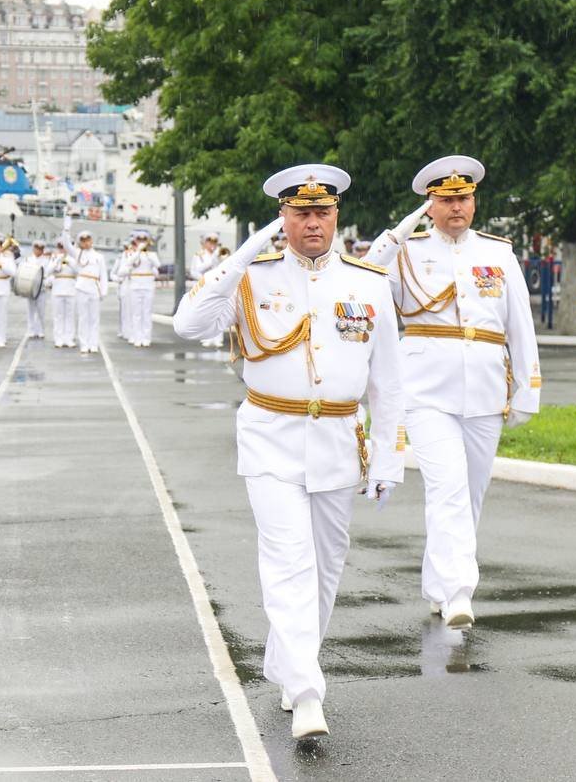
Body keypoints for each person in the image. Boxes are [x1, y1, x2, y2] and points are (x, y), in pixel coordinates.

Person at [173, 164, 404, 740]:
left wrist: (388, 457)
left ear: (337, 215)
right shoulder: (253, 277)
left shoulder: (368, 282)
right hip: (270, 437)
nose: (313, 223)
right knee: (288, 562)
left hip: (339, 440)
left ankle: (289, 664)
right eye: (300, 213)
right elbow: (187, 324)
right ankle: (306, 693)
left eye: (322, 212)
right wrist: (243, 255)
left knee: (325, 568)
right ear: (283, 218)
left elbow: (388, 382)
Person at [364, 155, 541, 629]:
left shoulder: (498, 253)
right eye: (445, 200)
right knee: (448, 487)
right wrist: (400, 232)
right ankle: (460, 591)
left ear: (474, 201)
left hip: (485, 386)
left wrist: (527, 388)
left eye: (463, 198)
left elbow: (520, 325)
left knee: (471, 494)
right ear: (430, 205)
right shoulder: (407, 251)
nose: (456, 207)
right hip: (426, 389)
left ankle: (438, 587)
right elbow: (364, 275)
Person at [71, 230, 107, 354]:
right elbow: (67, 245)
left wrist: (103, 291)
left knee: (94, 318)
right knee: (83, 318)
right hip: (82, 287)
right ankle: (84, 344)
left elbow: (103, 275)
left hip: (94, 288)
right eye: (83, 241)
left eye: (88, 240)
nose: (86, 243)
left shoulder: (99, 257)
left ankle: (93, 343)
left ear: (91, 241)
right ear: (80, 242)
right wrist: (66, 229)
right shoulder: (78, 254)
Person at [189, 232, 225, 348]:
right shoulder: (199, 255)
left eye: (215, 242)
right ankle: (206, 337)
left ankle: (218, 338)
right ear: (204, 243)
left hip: (218, 285)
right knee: (205, 313)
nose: (212, 244)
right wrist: (205, 279)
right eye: (209, 242)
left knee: (218, 312)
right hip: (205, 286)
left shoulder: (220, 254)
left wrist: (218, 257)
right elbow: (194, 271)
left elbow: (223, 268)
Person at [127, 233, 159, 347]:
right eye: (139, 240)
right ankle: (137, 337)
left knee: (146, 313)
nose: (141, 242)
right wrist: (138, 251)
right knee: (136, 313)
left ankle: (146, 337)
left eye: (144, 240)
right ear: (136, 241)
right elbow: (129, 262)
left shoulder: (152, 254)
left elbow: (157, 264)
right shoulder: (132, 253)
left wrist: (147, 253)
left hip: (148, 285)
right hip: (135, 286)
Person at [49, 237, 78, 348]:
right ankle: (58, 338)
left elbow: (78, 270)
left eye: (65, 247)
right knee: (58, 316)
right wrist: (57, 261)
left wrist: (69, 261)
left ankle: (69, 338)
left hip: (71, 288)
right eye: (61, 247)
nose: (63, 249)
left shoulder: (74, 257)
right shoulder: (54, 257)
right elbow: (47, 271)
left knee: (70, 316)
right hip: (58, 288)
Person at [24, 239, 53, 339]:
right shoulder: (28, 259)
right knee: (30, 310)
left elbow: (50, 274)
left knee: (41, 310)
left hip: (42, 288)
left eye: (40, 249)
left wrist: (48, 282)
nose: (38, 250)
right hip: (30, 287)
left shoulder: (47, 261)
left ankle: (40, 330)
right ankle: (31, 330)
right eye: (37, 248)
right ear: (33, 248)